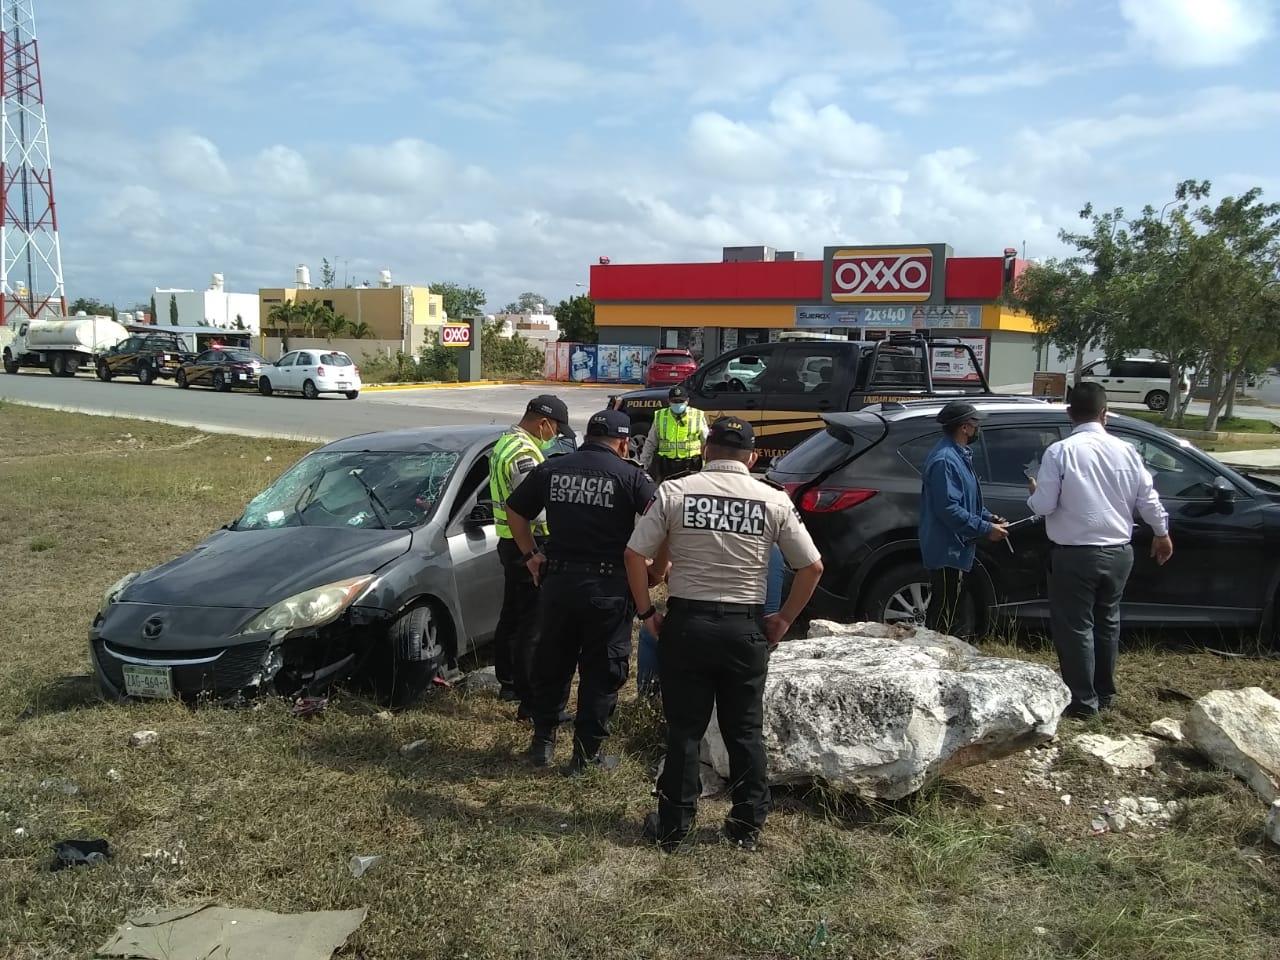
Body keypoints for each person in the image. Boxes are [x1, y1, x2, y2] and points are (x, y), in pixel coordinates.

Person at [624, 416, 824, 852]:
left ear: (706, 450)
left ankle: (674, 826)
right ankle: (747, 825)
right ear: (752, 457)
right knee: (745, 731)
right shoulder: (772, 499)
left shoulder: (675, 492)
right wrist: (784, 619)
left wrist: (645, 613)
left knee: (684, 729)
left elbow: (634, 554)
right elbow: (812, 567)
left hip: (687, 624)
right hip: (745, 627)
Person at [506, 409, 658, 775]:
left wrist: (530, 554)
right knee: (602, 670)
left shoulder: (553, 468)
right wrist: (656, 569)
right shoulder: (630, 476)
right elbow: (662, 518)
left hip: (557, 584)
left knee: (552, 662)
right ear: (623, 443)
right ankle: (584, 757)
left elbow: (515, 509)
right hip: (607, 588)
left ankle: (542, 744)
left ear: (588, 436)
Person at [1027, 382, 1173, 718]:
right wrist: (1161, 532)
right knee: (1107, 622)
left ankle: (1082, 703)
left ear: (1069, 413)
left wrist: (1033, 493)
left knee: (1075, 626)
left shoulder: (1060, 452)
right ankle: (1104, 694)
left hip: (1075, 554)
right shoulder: (1127, 450)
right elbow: (1148, 499)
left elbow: (1044, 505)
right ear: (1104, 414)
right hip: (1119, 551)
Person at [488, 394, 575, 714]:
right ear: (543, 423)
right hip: (531, 545)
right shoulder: (525, 454)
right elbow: (534, 509)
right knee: (533, 625)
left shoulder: (505, 443)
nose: (556, 435)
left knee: (513, 615)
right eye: (556, 428)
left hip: (511, 543)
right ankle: (531, 697)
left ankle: (509, 682)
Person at [919, 400, 1009, 636]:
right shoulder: (945, 461)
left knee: (954, 608)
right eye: (975, 423)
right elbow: (948, 508)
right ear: (964, 428)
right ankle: (931, 657)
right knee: (942, 613)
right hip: (947, 549)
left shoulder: (959, 456)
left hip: (958, 547)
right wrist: (985, 529)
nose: (978, 427)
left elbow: (966, 501)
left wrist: (989, 518)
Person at [639, 386, 709, 482]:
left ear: (687, 401)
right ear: (669, 401)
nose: (678, 404)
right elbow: (650, 443)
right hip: (666, 467)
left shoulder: (697, 416)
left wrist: (709, 466)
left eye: (681, 401)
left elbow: (706, 443)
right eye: (675, 401)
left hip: (691, 466)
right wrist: (643, 465)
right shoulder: (661, 416)